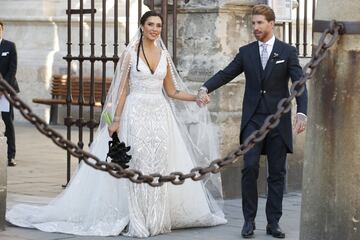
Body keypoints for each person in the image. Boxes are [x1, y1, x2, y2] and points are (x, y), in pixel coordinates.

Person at [6, 11, 227, 237]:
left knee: (159, 163)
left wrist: (196, 98)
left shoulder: (164, 55)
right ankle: (137, 218)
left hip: (159, 116)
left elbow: (172, 91)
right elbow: (120, 92)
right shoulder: (130, 54)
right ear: (141, 26)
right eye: (150, 24)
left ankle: (156, 219)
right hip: (135, 114)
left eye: (159, 25)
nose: (155, 29)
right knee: (137, 162)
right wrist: (116, 120)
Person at [197, 4, 307, 239]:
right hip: (253, 121)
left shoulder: (287, 52)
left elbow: (299, 83)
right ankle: (248, 221)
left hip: (278, 121)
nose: (255, 27)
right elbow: (227, 73)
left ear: (271, 24)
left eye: (259, 23)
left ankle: (273, 223)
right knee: (249, 167)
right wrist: (206, 86)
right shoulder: (246, 52)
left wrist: (302, 112)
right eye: (253, 23)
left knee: (277, 173)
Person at [0, 21, 19, 167]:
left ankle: (11, 155)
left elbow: (12, 70)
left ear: (2, 30)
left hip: (6, 91)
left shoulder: (9, 46)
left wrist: (3, 88)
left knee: (8, 121)